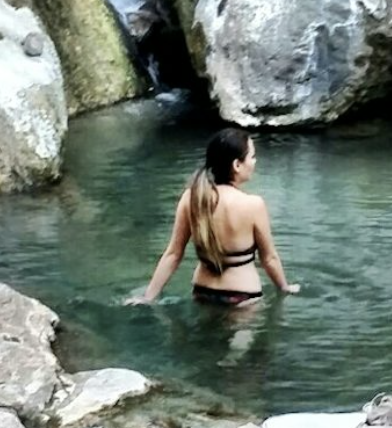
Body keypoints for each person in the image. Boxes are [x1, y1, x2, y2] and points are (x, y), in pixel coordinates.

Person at [125, 127, 299, 306]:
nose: (254, 162)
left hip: (202, 292)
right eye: (252, 156)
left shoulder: (192, 198)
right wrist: (284, 288)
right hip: (242, 296)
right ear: (237, 165)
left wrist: (148, 297)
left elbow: (173, 254)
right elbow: (269, 258)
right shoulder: (253, 205)